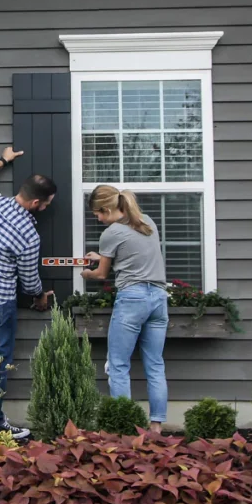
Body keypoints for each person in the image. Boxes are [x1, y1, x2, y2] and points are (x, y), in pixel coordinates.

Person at [0, 146, 56, 441]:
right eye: (47, 204)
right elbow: (29, 281)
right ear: (36, 202)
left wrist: (3, 160)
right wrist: (40, 297)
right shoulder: (28, 235)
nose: (46, 209)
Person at [80, 185, 168, 432]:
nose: (97, 218)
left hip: (133, 299)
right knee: (155, 364)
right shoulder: (146, 221)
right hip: (159, 298)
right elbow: (135, 253)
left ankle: (124, 429)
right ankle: (156, 428)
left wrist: (88, 272)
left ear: (107, 209)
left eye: (97, 213)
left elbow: (101, 274)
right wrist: (103, 255)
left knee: (118, 365)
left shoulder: (112, 232)